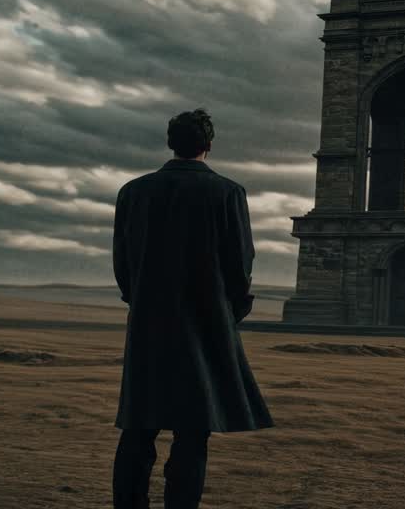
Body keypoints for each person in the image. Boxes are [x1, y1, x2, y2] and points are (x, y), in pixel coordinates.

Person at [112, 108, 274, 509]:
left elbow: (123, 262)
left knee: (137, 428)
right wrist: (228, 313)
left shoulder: (133, 191)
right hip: (205, 325)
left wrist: (143, 301)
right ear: (209, 145)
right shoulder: (227, 193)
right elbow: (240, 264)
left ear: (171, 143)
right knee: (192, 430)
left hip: (149, 324)